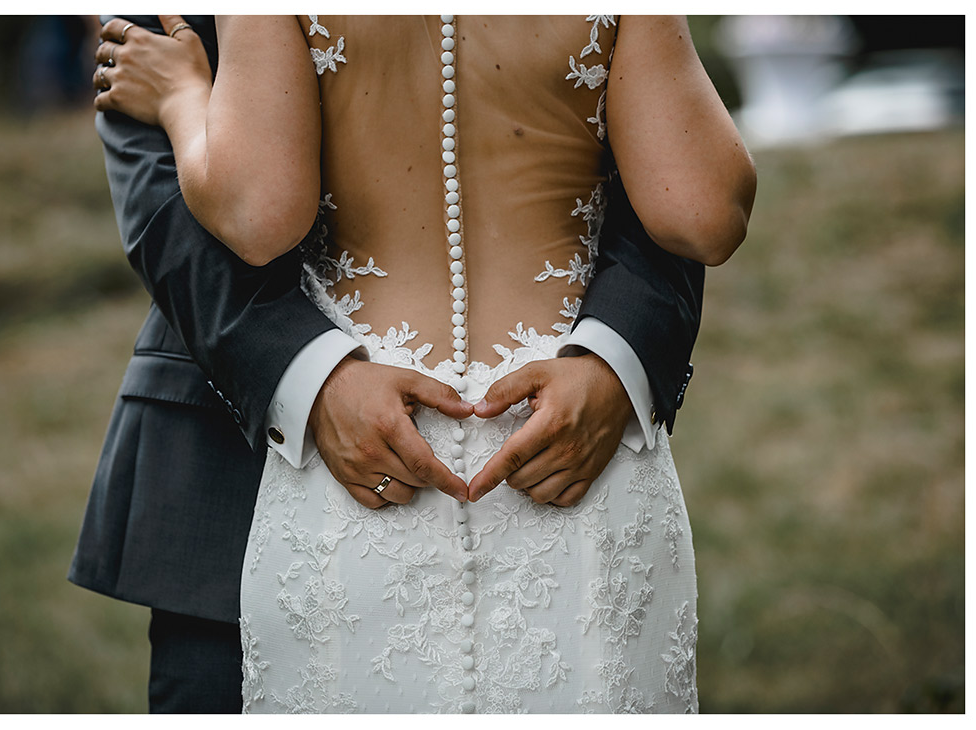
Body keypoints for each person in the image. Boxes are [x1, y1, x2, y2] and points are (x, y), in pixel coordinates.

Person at [77, 14, 738, 712]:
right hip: (555, 464)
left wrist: (184, 100)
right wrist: (309, 374)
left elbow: (260, 211)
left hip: (371, 489)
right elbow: (706, 209)